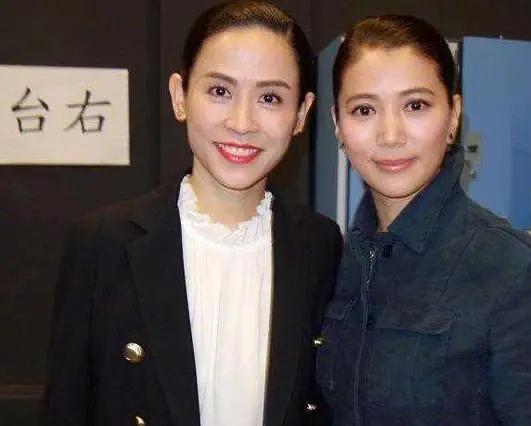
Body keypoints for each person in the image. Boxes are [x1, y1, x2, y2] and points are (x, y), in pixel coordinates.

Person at [43, 2, 341, 425]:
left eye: (270, 98)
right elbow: (66, 407)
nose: (242, 122)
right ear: (180, 96)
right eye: (220, 91)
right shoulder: (104, 242)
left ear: (301, 114)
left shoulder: (320, 246)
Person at [316, 15, 531, 425]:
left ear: (454, 114)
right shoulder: (341, 260)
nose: (390, 135)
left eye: (415, 105)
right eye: (364, 109)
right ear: (338, 124)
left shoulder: (517, 273)